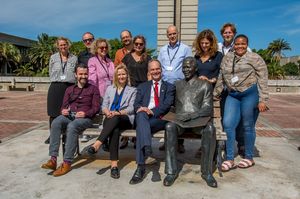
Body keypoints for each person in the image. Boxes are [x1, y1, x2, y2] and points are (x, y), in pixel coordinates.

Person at [214, 34, 269, 171]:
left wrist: (263, 99)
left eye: (243, 44)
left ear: (247, 44)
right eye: (237, 44)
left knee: (247, 125)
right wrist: (215, 93)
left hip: (249, 94)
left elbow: (263, 78)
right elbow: (221, 77)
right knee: (228, 124)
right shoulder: (227, 58)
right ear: (234, 44)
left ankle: (249, 157)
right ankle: (230, 158)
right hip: (233, 95)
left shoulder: (254, 57)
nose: (240, 46)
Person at [163, 57, 217, 188]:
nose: (185, 69)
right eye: (184, 67)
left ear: (196, 68)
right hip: (180, 121)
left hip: (198, 121)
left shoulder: (205, 85)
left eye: (188, 67)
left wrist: (192, 115)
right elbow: (172, 105)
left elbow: (207, 108)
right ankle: (171, 171)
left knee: (210, 129)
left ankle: (207, 172)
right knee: (169, 126)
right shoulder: (177, 84)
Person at [41, 63, 100, 177]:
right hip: (70, 116)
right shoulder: (69, 89)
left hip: (85, 119)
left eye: (85, 74)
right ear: (75, 75)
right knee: (56, 122)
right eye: (81, 74)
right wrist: (63, 111)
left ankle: (67, 162)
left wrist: (85, 113)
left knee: (72, 126)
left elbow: (96, 108)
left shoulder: (93, 89)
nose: (83, 76)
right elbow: (63, 106)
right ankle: (53, 159)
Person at [129, 59, 175, 184]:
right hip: (143, 117)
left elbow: (166, 105)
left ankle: (140, 167)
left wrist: (152, 111)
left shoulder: (169, 87)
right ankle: (147, 148)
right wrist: (142, 109)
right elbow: (136, 104)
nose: (155, 71)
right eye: (152, 69)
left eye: (157, 69)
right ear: (149, 71)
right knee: (141, 115)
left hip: (159, 119)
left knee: (141, 128)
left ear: (161, 69)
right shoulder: (142, 86)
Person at [87, 64, 137, 179]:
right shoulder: (110, 88)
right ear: (115, 76)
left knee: (115, 119)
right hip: (110, 119)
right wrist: (107, 112)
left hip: (124, 119)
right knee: (115, 129)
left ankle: (98, 143)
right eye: (119, 74)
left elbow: (131, 108)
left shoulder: (133, 90)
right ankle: (114, 166)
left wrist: (117, 113)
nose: (121, 76)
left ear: (127, 75)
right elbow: (104, 105)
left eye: (123, 74)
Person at [157, 25, 192, 153]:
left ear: (178, 34)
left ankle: (180, 143)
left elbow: (190, 66)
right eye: (170, 34)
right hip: (166, 86)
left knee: (179, 113)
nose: (172, 36)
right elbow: (159, 67)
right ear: (167, 35)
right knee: (166, 113)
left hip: (180, 86)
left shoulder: (185, 49)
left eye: (174, 34)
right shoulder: (162, 50)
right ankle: (167, 141)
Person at [192, 29, 223, 157]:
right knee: (200, 120)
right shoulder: (196, 56)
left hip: (212, 92)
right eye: (202, 43)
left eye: (206, 43)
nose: (204, 45)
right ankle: (203, 146)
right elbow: (193, 73)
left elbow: (222, 74)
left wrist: (211, 80)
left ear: (211, 43)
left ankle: (210, 147)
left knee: (209, 121)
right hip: (199, 93)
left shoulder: (218, 56)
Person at [45, 37, 77, 144]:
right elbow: (50, 71)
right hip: (56, 86)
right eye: (61, 45)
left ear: (68, 45)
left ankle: (67, 134)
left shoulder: (74, 58)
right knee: (53, 113)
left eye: (65, 44)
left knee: (67, 112)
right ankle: (53, 135)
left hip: (69, 86)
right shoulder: (53, 57)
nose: (63, 47)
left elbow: (76, 72)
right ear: (58, 46)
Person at [121, 35, 151, 148]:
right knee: (129, 112)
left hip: (143, 89)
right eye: (136, 43)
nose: (138, 46)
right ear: (133, 44)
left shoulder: (147, 58)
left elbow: (150, 74)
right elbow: (122, 71)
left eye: (141, 44)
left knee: (139, 113)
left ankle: (136, 138)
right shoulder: (127, 57)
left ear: (144, 45)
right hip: (130, 89)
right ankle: (124, 138)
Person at [78, 32, 95, 142]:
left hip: (98, 86)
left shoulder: (100, 52)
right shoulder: (81, 56)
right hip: (85, 86)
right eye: (85, 40)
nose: (88, 42)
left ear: (93, 39)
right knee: (85, 106)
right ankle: (86, 132)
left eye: (90, 39)